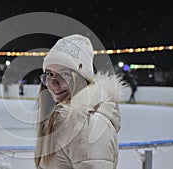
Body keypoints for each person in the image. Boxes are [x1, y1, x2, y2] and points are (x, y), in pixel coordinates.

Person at [34, 34, 127, 169]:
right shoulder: (65, 120)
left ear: (82, 78)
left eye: (65, 75)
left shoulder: (89, 127)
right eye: (49, 74)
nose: (53, 85)